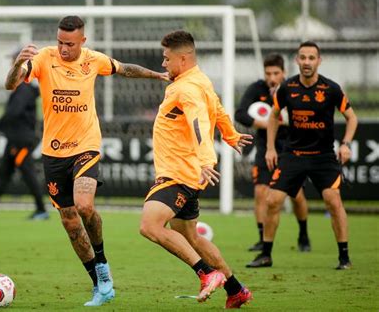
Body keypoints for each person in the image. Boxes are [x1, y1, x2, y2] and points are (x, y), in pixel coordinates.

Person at [4, 16, 169, 307]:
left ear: (83, 41)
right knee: (69, 221)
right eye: (60, 42)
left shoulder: (93, 60)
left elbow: (125, 69)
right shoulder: (44, 58)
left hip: (86, 146)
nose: (63, 48)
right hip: (54, 153)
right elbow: (11, 85)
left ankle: (102, 262)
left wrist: (157, 76)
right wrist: (17, 63)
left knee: (84, 205)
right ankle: (100, 283)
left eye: (69, 43)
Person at [139, 30, 254, 308]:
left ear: (183, 57)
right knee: (191, 237)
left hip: (179, 173)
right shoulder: (198, 80)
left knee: (150, 225)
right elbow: (217, 110)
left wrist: (206, 159)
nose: (163, 63)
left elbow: (200, 123)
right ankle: (236, 289)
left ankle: (206, 274)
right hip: (189, 173)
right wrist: (229, 133)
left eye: (167, 59)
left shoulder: (186, 89)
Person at [246, 41, 358, 270]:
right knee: (272, 200)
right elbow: (273, 117)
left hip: (323, 156)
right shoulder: (287, 88)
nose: (307, 62)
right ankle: (266, 255)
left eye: (311, 58)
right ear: (297, 60)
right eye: (303, 57)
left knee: (333, 201)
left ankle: (344, 257)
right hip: (293, 155)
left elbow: (352, 118)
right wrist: (270, 148)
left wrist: (346, 144)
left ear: (319, 61)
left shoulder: (331, 89)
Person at [235, 54, 311, 252]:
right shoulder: (257, 89)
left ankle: (303, 233)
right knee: (261, 192)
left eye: (276, 73)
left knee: (297, 195)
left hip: (292, 148)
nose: (272, 77)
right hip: (266, 147)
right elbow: (240, 114)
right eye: (268, 73)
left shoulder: (294, 89)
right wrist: (266, 123)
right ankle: (262, 238)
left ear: (284, 73)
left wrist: (285, 121)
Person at [0, 48, 48, 220]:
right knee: (4, 174)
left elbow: (12, 113)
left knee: (28, 174)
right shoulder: (21, 88)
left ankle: (42, 210)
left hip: (21, 141)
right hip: (14, 140)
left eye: (13, 61)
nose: (10, 64)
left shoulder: (24, 89)